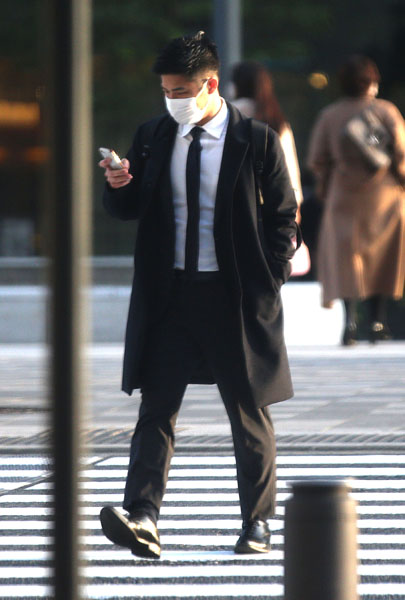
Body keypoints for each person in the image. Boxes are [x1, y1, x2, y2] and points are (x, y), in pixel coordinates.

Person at [98, 31, 299, 560]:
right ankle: (143, 515)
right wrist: (118, 184)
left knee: (248, 412)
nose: (173, 100)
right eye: (166, 91)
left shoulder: (256, 140)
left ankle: (257, 522)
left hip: (233, 298)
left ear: (210, 85)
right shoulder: (154, 136)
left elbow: (284, 216)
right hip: (170, 295)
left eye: (181, 91)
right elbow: (129, 208)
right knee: (156, 409)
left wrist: (270, 278)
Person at [307, 55, 405, 345]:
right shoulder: (386, 110)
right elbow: (401, 151)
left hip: (343, 195)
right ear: (372, 83)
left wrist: (326, 185)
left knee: (345, 258)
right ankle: (377, 320)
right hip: (384, 195)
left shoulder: (330, 115)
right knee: (382, 258)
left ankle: (349, 323)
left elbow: (317, 159)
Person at [231, 60, 310, 277]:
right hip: (274, 204)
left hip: (238, 204)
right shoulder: (277, 118)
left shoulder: (231, 114)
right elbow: (290, 169)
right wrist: (295, 208)